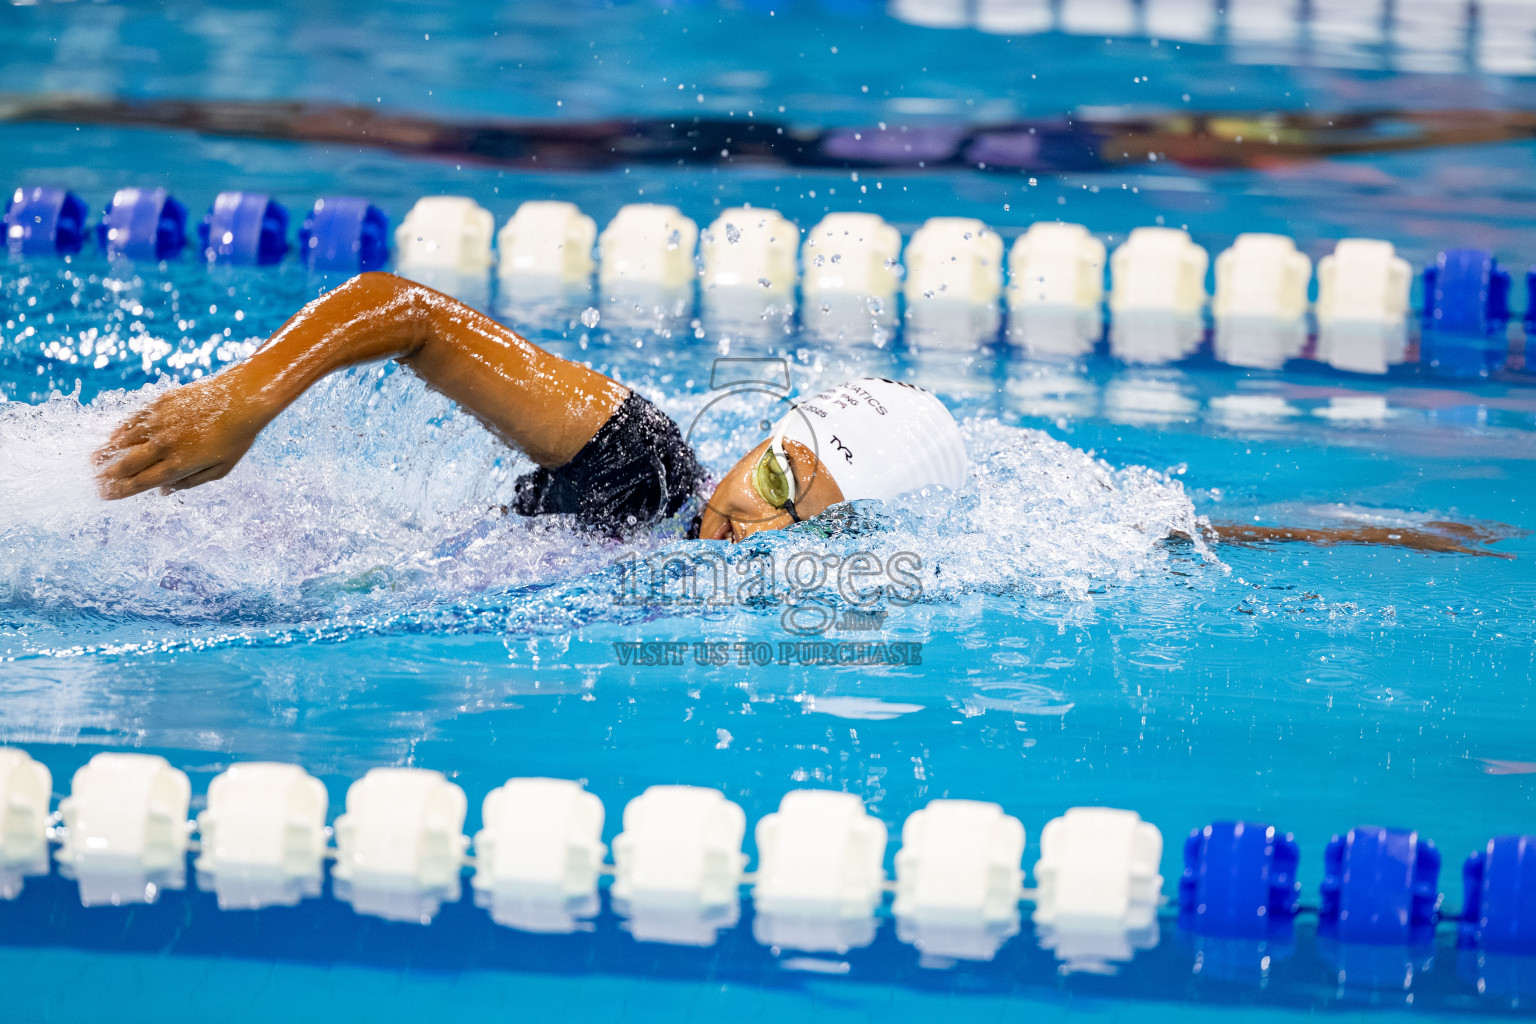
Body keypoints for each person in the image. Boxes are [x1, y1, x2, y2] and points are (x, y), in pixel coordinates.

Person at [93, 272, 1515, 558]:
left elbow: (1130, 534)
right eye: (768, 471)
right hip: (242, 518)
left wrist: (1364, 534)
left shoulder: (873, 567)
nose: (741, 512)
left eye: (790, 506)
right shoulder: (643, 468)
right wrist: (242, 403)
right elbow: (403, 309)